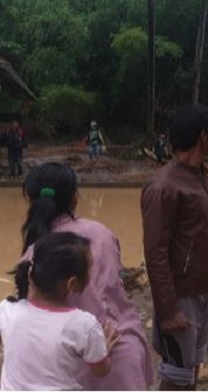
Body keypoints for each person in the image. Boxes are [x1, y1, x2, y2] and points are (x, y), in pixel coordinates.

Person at [18, 162, 155, 390]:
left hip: (69, 364)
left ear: (32, 202)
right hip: (122, 349)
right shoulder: (102, 234)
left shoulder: (32, 256)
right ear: (75, 198)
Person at [141, 104, 208, 390]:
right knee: (176, 376)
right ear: (202, 136)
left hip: (206, 287)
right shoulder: (163, 187)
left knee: (194, 365)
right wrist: (168, 309)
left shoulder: (202, 177)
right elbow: (155, 252)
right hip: (181, 295)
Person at [1, 232, 121, 390]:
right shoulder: (84, 325)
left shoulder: (8, 310)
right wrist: (102, 348)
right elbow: (101, 370)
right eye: (90, 268)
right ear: (72, 283)